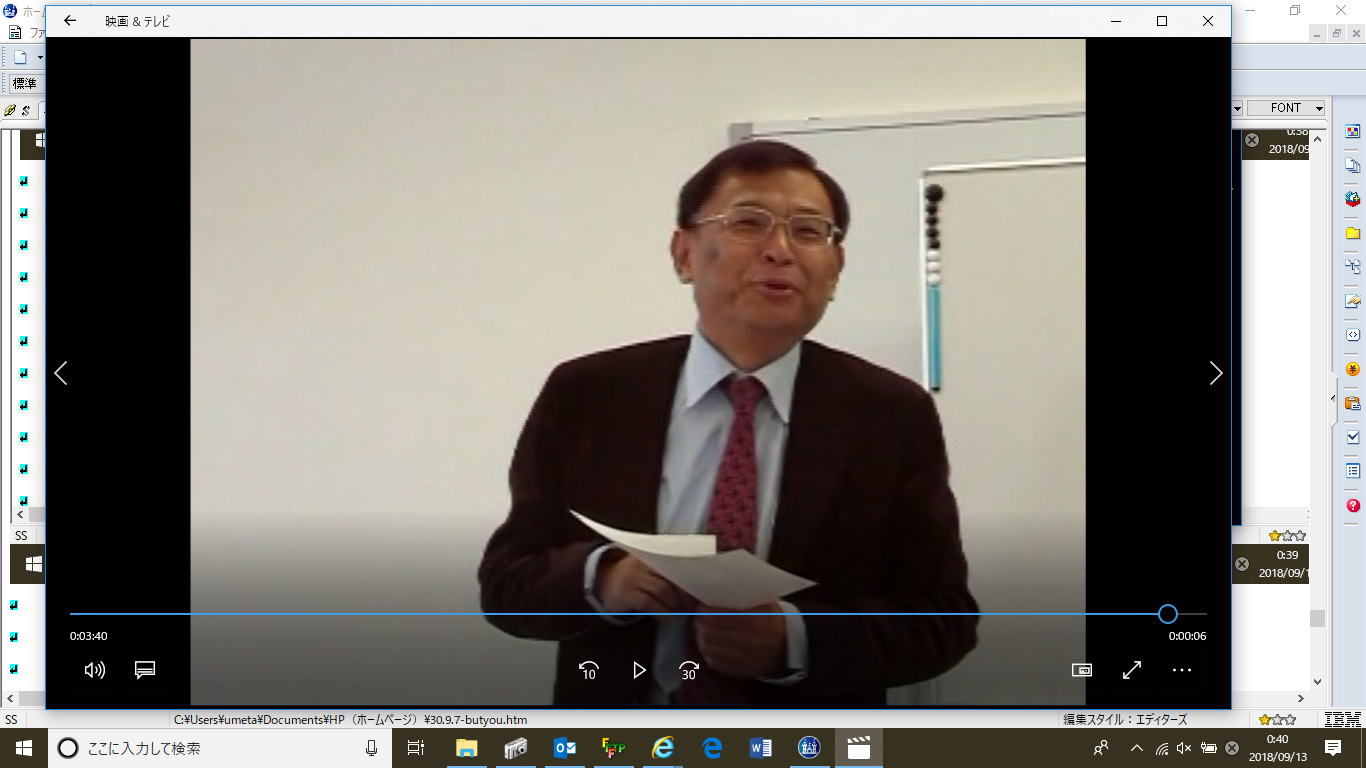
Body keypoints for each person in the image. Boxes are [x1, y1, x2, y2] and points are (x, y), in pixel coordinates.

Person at [478, 139, 977, 706]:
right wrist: (600, 580)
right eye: (748, 222)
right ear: (684, 253)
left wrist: (796, 640)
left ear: (835, 269)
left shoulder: (889, 414)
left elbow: (942, 619)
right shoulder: (588, 394)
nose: (780, 250)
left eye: (809, 231)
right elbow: (505, 586)